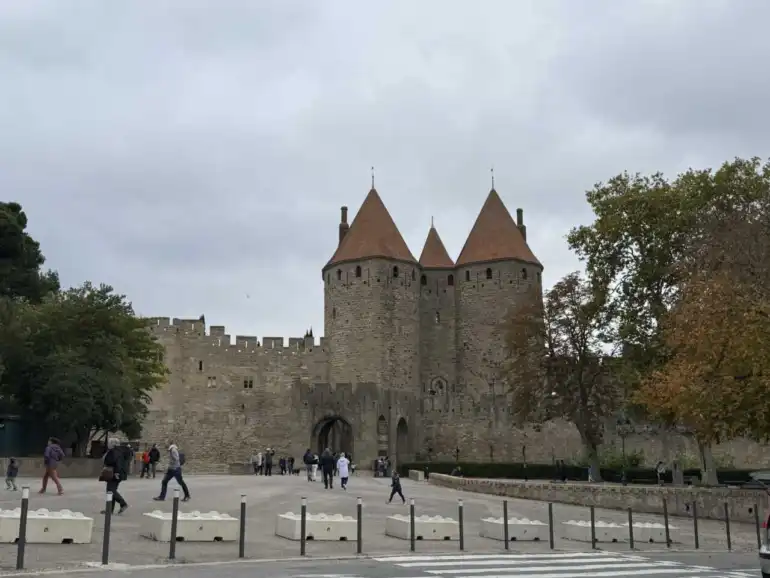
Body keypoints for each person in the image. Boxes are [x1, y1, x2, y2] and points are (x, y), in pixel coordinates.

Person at [101, 438, 129, 514]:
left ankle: (123, 503)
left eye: (109, 443)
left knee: (110, 491)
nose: (108, 445)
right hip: (117, 473)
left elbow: (117, 462)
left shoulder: (115, 452)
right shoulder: (119, 451)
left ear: (112, 444)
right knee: (111, 490)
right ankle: (110, 509)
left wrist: (116, 472)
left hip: (115, 473)